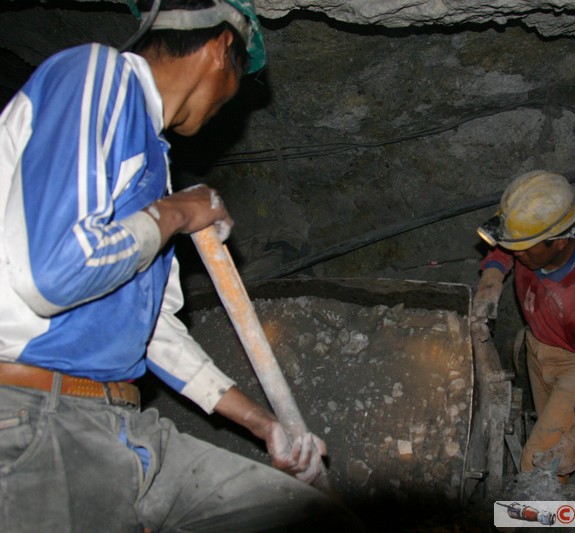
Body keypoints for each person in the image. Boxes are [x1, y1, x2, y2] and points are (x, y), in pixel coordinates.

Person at [0, 1, 356, 531]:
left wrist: (264, 425)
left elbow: (155, 336)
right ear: (220, 49)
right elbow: (54, 273)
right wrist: (178, 212)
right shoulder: (97, 75)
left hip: (124, 425)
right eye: (240, 81)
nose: (230, 106)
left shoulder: (151, 169)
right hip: (40, 417)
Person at [472, 170, 575, 483]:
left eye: (524, 248)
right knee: (550, 423)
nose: (516, 253)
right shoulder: (538, 235)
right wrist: (493, 275)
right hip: (537, 345)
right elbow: (509, 243)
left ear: (558, 243)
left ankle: (542, 512)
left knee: (538, 464)